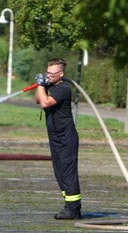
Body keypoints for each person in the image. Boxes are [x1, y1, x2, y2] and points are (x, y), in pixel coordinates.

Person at [34, 58, 83, 220]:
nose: (49, 76)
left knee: (68, 173)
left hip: (66, 137)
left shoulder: (63, 88)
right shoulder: (52, 87)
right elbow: (38, 100)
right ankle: (70, 207)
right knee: (60, 172)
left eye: (52, 74)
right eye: (47, 73)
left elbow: (45, 103)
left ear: (61, 74)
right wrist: (43, 85)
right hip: (55, 137)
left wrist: (42, 85)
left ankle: (73, 209)